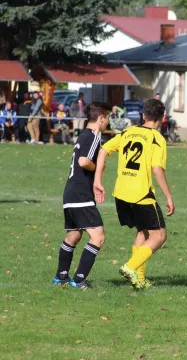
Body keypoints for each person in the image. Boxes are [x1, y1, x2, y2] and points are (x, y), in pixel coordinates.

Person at [94, 99, 174, 290]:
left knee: (143, 231)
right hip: (140, 193)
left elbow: (104, 150)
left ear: (144, 115)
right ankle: (130, 267)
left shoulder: (127, 132)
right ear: (162, 119)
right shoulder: (157, 138)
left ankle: (139, 279)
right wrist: (169, 196)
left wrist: (98, 179)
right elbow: (157, 169)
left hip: (121, 192)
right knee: (160, 235)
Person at [52, 101, 112, 289]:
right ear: (101, 118)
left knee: (74, 236)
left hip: (70, 193)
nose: (108, 122)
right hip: (80, 194)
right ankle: (78, 280)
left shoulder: (82, 136)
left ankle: (60, 277)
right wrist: (98, 168)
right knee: (98, 236)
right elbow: (84, 161)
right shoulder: (94, 136)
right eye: (108, 118)